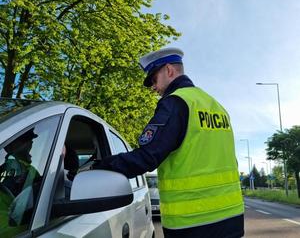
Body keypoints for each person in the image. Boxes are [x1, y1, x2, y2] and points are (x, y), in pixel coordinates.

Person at [93, 47, 244, 238]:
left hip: (193, 224)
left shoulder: (175, 103)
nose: (153, 89)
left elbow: (147, 157)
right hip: (232, 218)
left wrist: (98, 166)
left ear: (169, 70)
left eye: (154, 80)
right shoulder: (217, 106)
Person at [0, 129, 40, 196]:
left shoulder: (31, 170)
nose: (31, 142)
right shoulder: (6, 166)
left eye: (29, 140)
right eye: (26, 140)